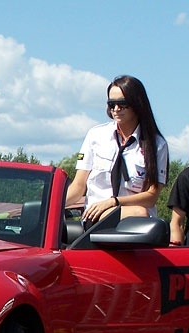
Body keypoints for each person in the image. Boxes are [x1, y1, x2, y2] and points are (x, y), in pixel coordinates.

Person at [66, 75, 169, 225]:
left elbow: (151, 196)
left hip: (138, 224)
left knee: (139, 212)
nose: (116, 109)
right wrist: (48, 207)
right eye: (111, 104)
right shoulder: (96, 135)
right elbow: (78, 187)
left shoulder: (157, 145)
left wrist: (114, 202)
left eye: (122, 104)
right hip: (96, 217)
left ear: (137, 104)